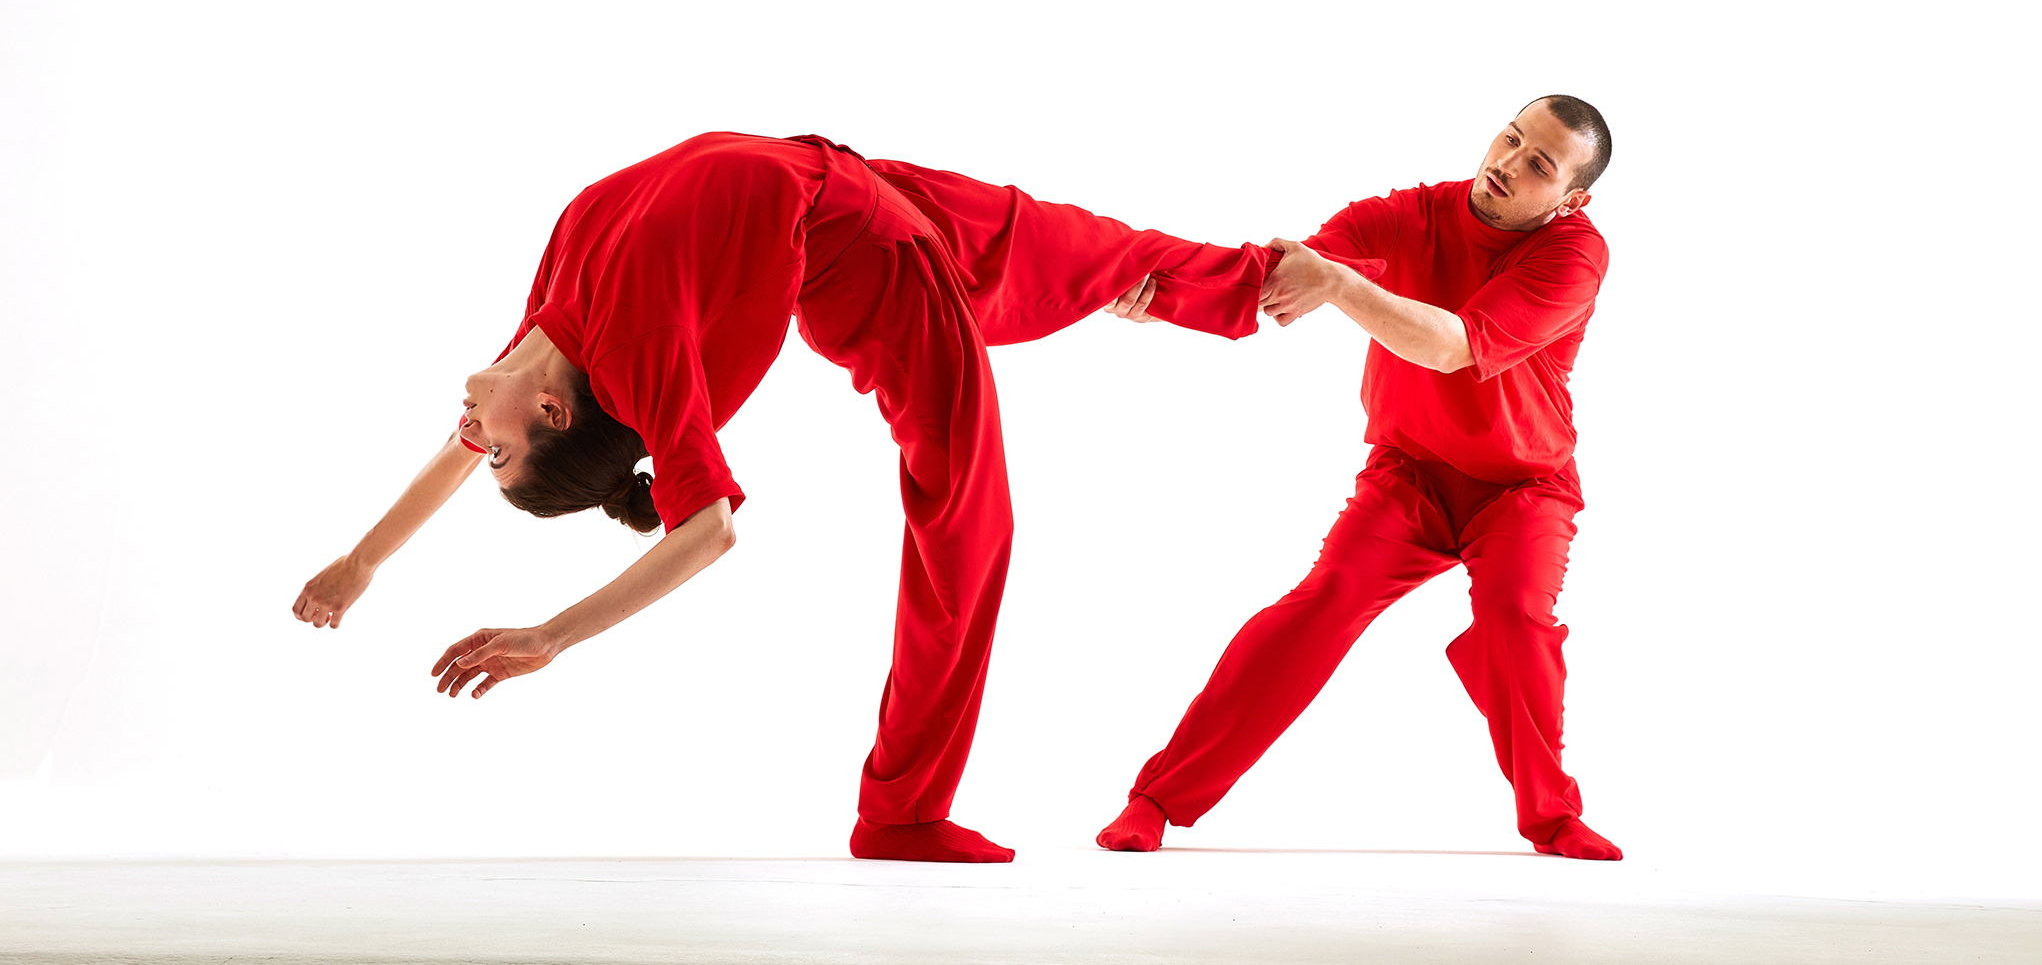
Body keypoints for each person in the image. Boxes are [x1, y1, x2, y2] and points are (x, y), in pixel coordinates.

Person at [291, 131, 1303, 865]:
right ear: (554, 412)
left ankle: (1282, 279)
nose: (474, 430)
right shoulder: (631, 349)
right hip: (877, 263)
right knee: (968, 517)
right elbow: (708, 528)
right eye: (500, 449)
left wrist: (362, 561)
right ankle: (903, 812)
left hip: (852, 181)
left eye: (489, 446)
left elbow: (460, 444)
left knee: (1085, 251)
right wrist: (553, 635)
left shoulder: (543, 325)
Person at [1098, 96, 1624, 860]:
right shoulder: (1409, 215)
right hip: (1408, 473)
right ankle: (1156, 797)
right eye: (1510, 139)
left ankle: (1551, 815)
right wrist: (1166, 298)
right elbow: (1282, 275)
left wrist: (1341, 286)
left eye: (1539, 164)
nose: (1508, 164)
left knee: (1515, 618)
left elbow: (1453, 345)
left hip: (1521, 487)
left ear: (1571, 200)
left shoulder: (1575, 255)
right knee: (1323, 602)